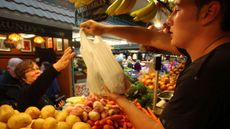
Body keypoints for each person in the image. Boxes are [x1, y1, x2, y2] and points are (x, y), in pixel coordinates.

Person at [80, 0, 230, 129]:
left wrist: (119, 99)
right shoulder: (217, 54)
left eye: (177, 10)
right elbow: (151, 37)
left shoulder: (205, 74)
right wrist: (104, 29)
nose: (168, 21)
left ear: (209, 12)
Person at [0, 47, 75, 111]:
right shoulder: (24, 93)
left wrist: (57, 107)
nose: (37, 71)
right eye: (31, 70)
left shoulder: (41, 91)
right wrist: (56, 67)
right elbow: (38, 86)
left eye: (37, 68)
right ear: (23, 77)